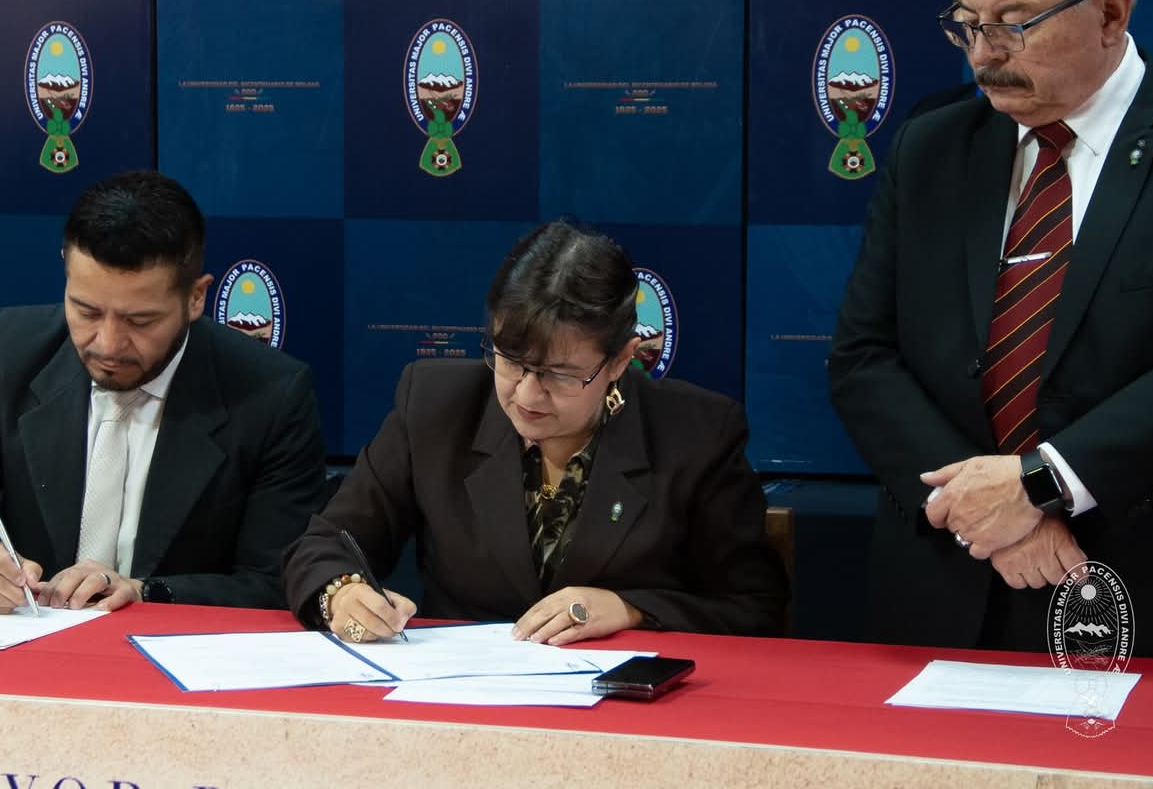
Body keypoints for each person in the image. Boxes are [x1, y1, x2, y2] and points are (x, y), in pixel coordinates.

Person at [829, 0, 1153, 658]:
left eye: (1015, 23)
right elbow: (862, 356)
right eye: (965, 22)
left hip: (1140, 586)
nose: (983, 55)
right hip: (941, 584)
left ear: (1109, 11)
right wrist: (985, 515)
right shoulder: (930, 146)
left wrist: (1042, 484)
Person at [283, 221, 788, 644]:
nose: (526, 394)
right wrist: (341, 593)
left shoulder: (696, 434)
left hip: (628, 704)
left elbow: (755, 607)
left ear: (620, 361)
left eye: (559, 375)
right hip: (462, 698)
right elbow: (325, 544)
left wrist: (631, 609)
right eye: (510, 360)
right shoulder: (435, 406)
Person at [0, 171, 326, 613]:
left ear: (195, 297)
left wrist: (144, 592)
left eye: (140, 321)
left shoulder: (270, 394)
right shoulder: (11, 350)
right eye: (86, 311)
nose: (108, 345)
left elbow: (274, 581)